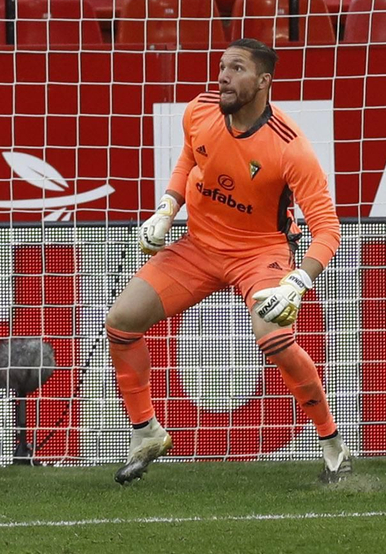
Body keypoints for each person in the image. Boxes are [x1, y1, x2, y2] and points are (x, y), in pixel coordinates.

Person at [107, 38, 349, 484]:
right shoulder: (199, 110)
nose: (222, 76)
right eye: (221, 66)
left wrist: (296, 283)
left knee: (273, 337)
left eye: (236, 68)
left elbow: (328, 228)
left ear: (263, 81)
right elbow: (190, 157)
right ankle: (146, 433)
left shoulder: (289, 147)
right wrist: (166, 208)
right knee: (121, 321)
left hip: (260, 254)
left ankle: (332, 444)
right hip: (198, 247)